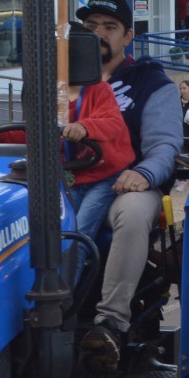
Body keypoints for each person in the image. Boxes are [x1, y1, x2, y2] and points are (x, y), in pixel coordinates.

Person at [74, 0, 182, 373]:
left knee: (133, 213)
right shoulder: (61, 80)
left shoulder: (151, 83)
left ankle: (109, 325)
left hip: (127, 186)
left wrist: (143, 173)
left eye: (109, 27)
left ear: (128, 36)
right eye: (90, 27)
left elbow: (165, 146)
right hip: (70, 183)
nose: (98, 34)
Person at [61, 75, 135, 268]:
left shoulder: (99, 89)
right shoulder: (51, 95)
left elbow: (113, 122)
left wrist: (84, 127)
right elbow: (31, 129)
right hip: (72, 178)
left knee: (78, 236)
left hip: (104, 175)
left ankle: (66, 296)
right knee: (57, 233)